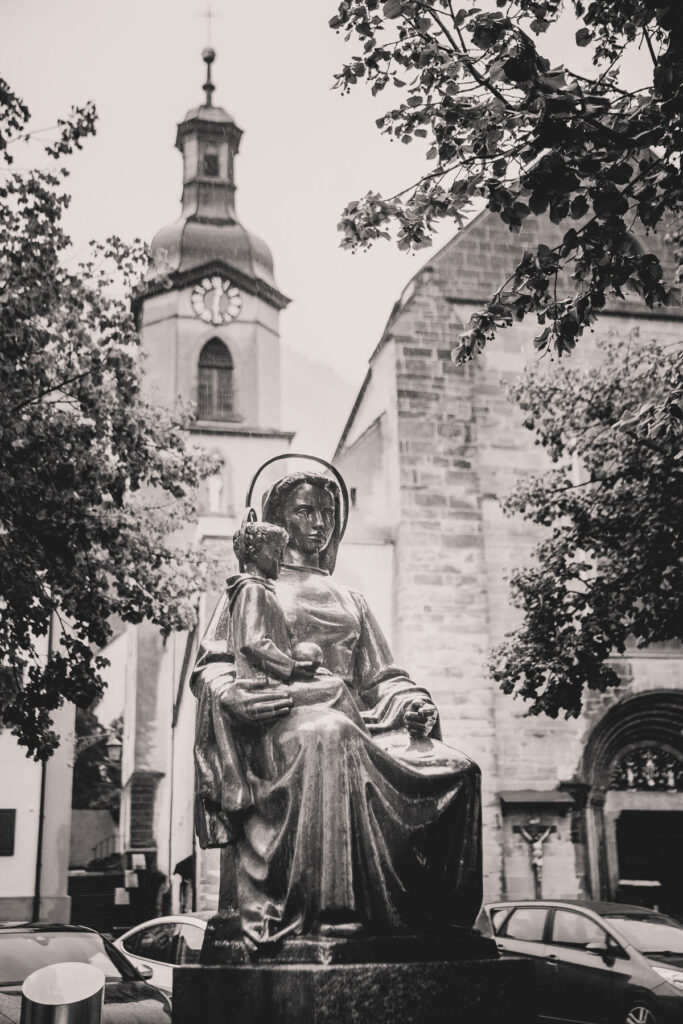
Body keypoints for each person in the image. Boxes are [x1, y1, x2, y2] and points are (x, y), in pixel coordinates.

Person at [192, 471, 482, 947]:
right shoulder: (252, 586)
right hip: (283, 726)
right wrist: (228, 693)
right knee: (331, 734)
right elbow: (215, 665)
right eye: (305, 512)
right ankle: (334, 913)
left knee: (458, 769)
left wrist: (414, 704)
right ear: (279, 521)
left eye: (328, 513)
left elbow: (385, 678)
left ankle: (440, 921)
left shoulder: (352, 600)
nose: (319, 523)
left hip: (362, 723)